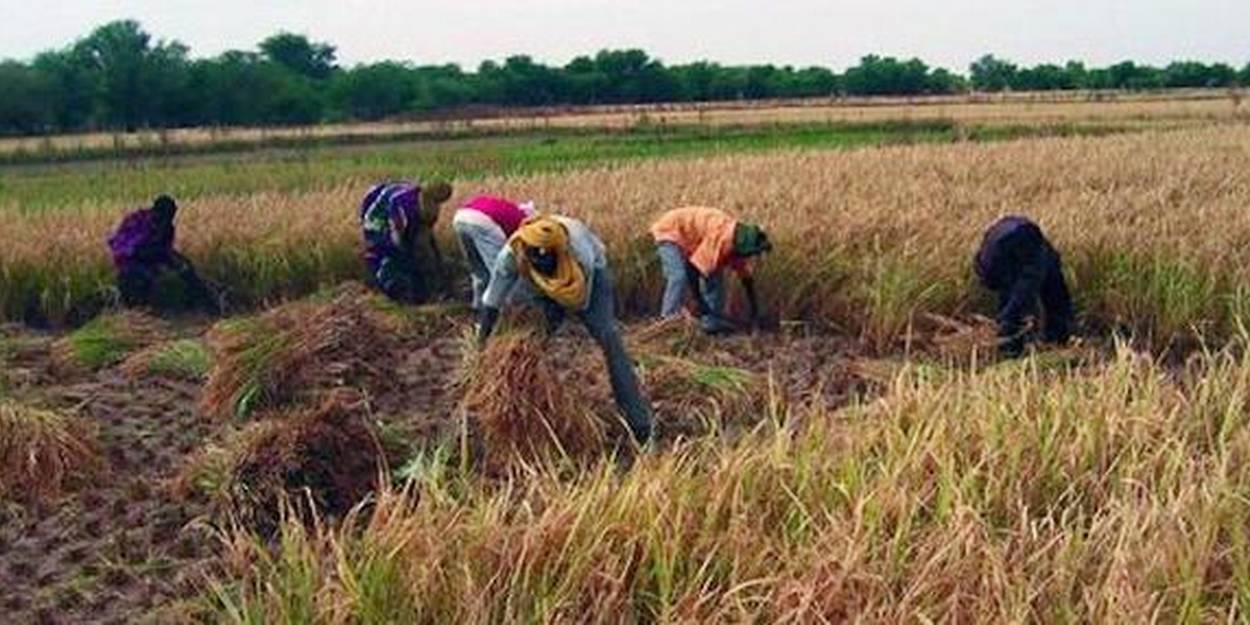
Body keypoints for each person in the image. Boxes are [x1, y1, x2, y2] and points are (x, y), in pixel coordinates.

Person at [476, 214, 653, 445]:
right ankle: (527, 415)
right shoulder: (513, 253)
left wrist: (557, 309)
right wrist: (483, 341)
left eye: (547, 262)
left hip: (589, 282)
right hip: (539, 285)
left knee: (609, 337)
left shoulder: (579, 250)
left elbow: (579, 300)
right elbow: (493, 299)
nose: (543, 264)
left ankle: (639, 424)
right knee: (527, 347)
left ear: (557, 251)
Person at [649, 206, 771, 334]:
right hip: (671, 230)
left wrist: (754, 310)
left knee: (714, 278)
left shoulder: (739, 245)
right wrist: (699, 301)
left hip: (692, 239)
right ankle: (667, 320)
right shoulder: (722, 239)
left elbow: (747, 281)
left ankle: (711, 323)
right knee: (678, 276)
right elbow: (692, 270)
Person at [973, 216, 1074, 357]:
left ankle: (1011, 344)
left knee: (1014, 297)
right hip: (1019, 237)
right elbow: (1028, 289)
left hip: (1000, 237)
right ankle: (1012, 347)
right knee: (1021, 301)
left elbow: (983, 265)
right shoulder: (1041, 257)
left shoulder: (1041, 256)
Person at [107, 195, 219, 313]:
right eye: (170, 215)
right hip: (131, 260)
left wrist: (176, 261)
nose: (171, 218)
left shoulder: (166, 226)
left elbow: (165, 248)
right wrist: (163, 259)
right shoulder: (140, 221)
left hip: (154, 255)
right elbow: (129, 248)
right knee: (143, 278)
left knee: (187, 269)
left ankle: (204, 305)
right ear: (158, 211)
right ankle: (142, 311)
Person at [359, 180, 453, 303]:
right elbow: (397, 237)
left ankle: (420, 292)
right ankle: (388, 288)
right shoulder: (403, 204)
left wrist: (437, 260)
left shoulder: (431, 209)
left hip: (405, 216)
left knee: (416, 254)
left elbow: (427, 239)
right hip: (377, 212)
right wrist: (407, 256)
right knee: (387, 250)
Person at [451, 194, 537, 309]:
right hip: (483, 221)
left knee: (478, 269)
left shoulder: (509, 210)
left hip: (460, 218)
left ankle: (478, 306)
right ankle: (509, 307)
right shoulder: (524, 222)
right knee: (502, 272)